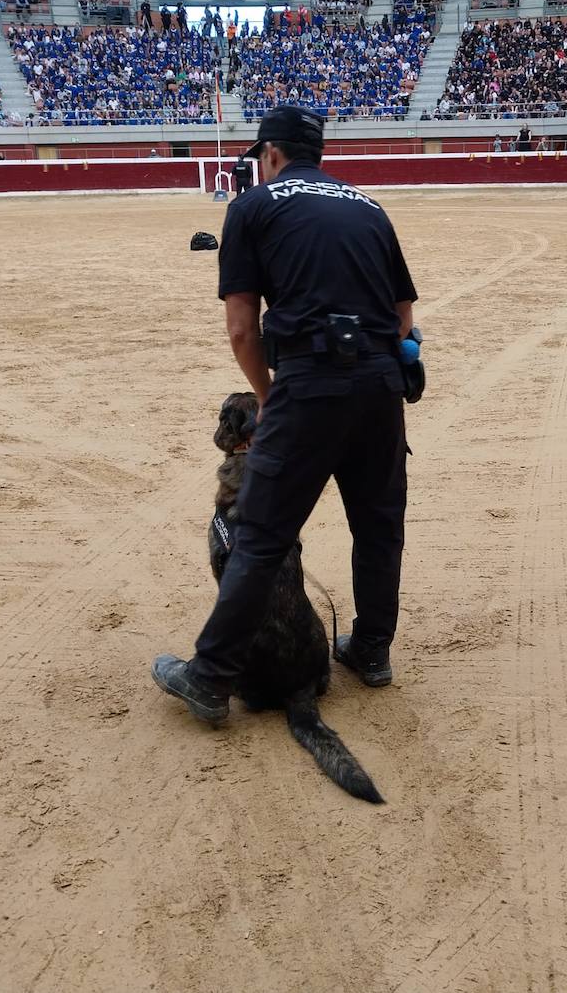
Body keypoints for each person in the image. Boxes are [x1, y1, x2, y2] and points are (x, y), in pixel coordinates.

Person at [151, 105, 418, 723]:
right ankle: (372, 653)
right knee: (379, 526)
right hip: (379, 384)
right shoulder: (368, 206)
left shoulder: (252, 206)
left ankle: (211, 677)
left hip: (309, 383)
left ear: (270, 155)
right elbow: (404, 314)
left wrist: (271, 397)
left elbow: (243, 330)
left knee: (262, 535)